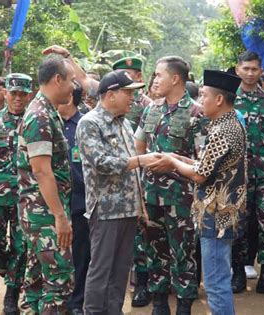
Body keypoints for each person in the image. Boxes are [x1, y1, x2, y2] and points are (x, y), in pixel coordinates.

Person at [148, 69, 246, 315]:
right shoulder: (226, 123)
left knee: (215, 283)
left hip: (217, 213)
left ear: (219, 99)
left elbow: (200, 175)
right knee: (218, 277)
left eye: (204, 96)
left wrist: (172, 163)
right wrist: (178, 157)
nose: (201, 102)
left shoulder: (223, 130)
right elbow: (206, 166)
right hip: (219, 212)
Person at [76, 70, 160, 315]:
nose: (132, 98)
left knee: (121, 269)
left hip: (128, 209)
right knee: (101, 269)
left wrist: (140, 205)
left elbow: (131, 171)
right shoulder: (90, 123)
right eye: (128, 93)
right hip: (105, 210)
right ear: (110, 95)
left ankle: (114, 310)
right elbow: (100, 162)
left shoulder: (125, 123)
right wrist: (139, 161)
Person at [134, 56, 203, 315]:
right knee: (154, 251)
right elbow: (138, 146)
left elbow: (203, 162)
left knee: (183, 252)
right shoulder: (151, 109)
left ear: (175, 78)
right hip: (151, 195)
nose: (154, 80)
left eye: (159, 75)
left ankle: (184, 305)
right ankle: (160, 303)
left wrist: (172, 164)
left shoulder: (196, 113)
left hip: (181, 198)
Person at [16, 54, 75, 314]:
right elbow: (41, 171)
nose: (74, 86)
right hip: (45, 215)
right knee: (59, 282)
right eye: (71, 80)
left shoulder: (46, 111)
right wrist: (59, 216)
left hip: (39, 212)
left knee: (36, 281)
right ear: (58, 79)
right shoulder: (40, 116)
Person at [232, 51, 264, 296]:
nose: (251, 73)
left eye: (255, 69)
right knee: (237, 225)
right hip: (236, 176)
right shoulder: (228, 99)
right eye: (246, 69)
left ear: (261, 71)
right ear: (237, 69)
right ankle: (238, 273)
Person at [0, 73, 32, 314]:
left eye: (23, 94)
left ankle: (11, 293)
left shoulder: (36, 121)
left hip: (27, 197)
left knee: (22, 247)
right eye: (14, 93)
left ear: (29, 95)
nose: (18, 99)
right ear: (6, 93)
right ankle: (2, 275)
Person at [112, 55, 153, 307]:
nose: (132, 78)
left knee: (139, 235)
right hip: (111, 176)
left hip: (138, 173)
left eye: (135, 74)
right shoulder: (106, 102)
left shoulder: (149, 105)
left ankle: (141, 283)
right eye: (126, 74)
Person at [57, 83, 89, 315]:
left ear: (70, 98)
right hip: (53, 202)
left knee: (80, 254)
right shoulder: (49, 123)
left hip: (80, 201)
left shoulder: (86, 125)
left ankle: (76, 301)